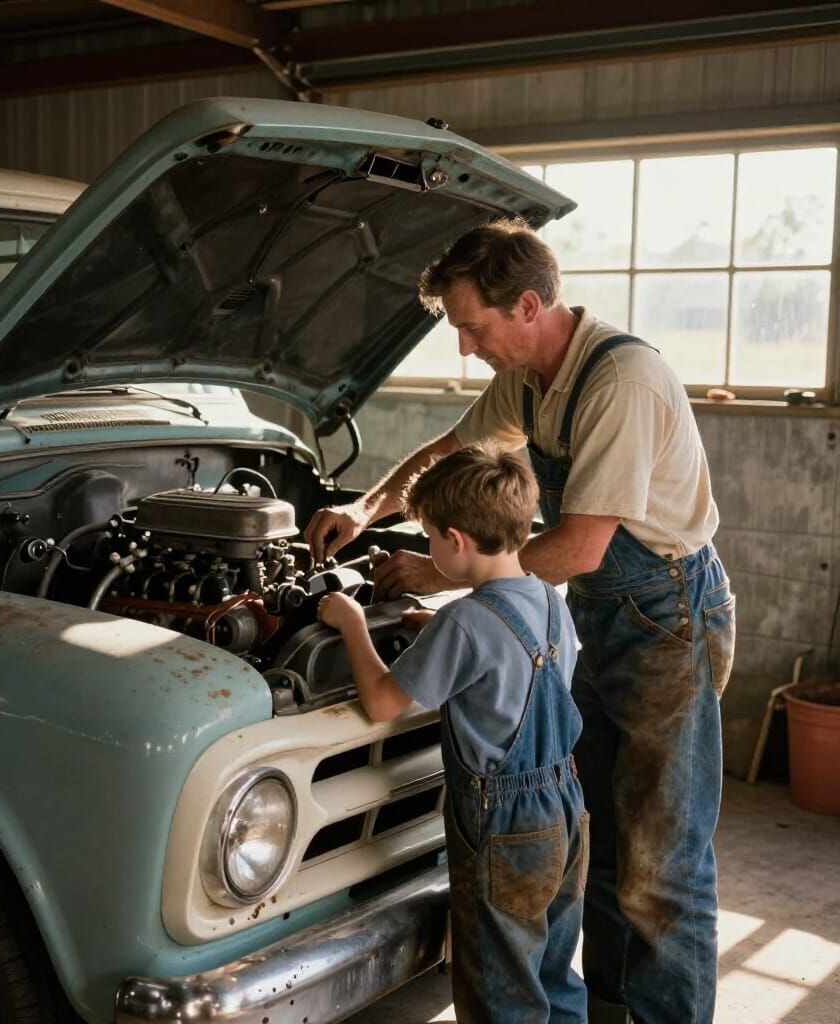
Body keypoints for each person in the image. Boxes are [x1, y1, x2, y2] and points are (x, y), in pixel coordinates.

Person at [305, 220, 736, 1024]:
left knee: (661, 863)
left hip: (667, 618)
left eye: (473, 326)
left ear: (529, 305)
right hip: (601, 613)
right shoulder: (532, 379)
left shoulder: (620, 381)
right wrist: (366, 508)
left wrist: (440, 572)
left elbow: (577, 545)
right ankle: (611, 1008)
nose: (466, 348)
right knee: (601, 837)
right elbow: (447, 450)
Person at [317, 445, 588, 1024]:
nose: (428, 551)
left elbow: (384, 701)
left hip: (504, 828)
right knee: (551, 971)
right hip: (566, 809)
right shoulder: (549, 599)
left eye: (429, 538)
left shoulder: (464, 622)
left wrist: (352, 624)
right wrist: (439, 630)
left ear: (456, 540)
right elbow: (519, 667)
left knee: (501, 988)